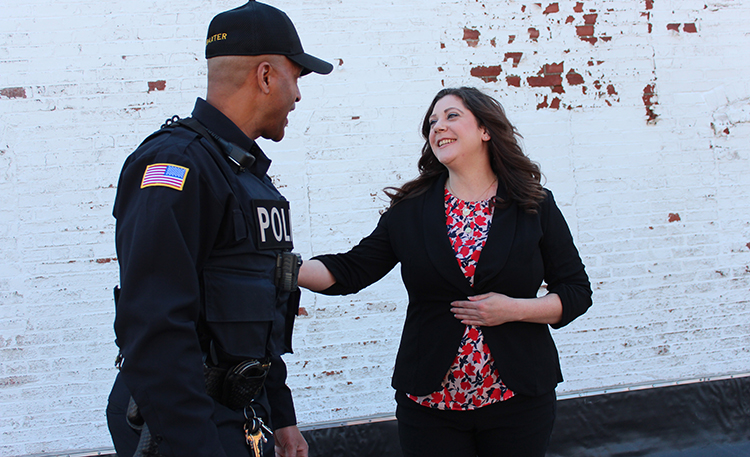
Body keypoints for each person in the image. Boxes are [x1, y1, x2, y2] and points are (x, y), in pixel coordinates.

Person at [298, 87, 592, 457]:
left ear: (485, 129)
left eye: (452, 116)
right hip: (430, 405)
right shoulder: (410, 210)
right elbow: (350, 270)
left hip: (519, 401)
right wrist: (284, 268)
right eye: (432, 121)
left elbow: (577, 291)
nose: (438, 126)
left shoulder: (533, 204)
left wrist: (513, 310)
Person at [105, 2, 332, 456]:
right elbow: (156, 326)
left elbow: (262, 312)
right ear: (266, 76)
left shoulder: (246, 178)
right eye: (296, 77)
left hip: (241, 412)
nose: (299, 96)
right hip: (186, 421)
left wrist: (281, 417)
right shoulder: (176, 165)